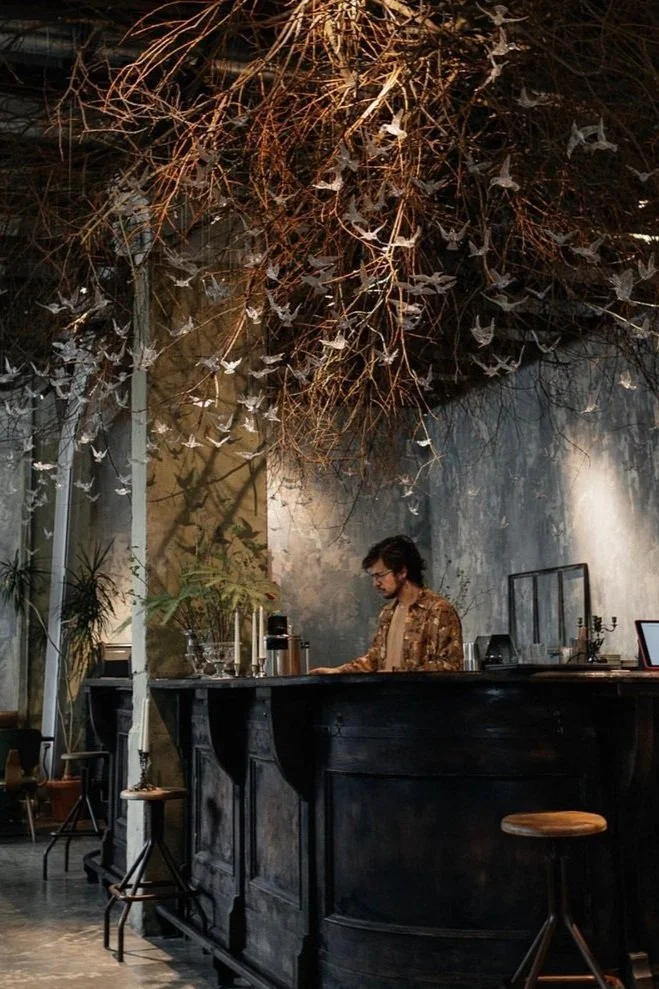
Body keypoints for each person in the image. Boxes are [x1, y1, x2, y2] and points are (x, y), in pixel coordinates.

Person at [310, 534, 463, 673]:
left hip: (422, 702)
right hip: (387, 701)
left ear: (402, 572)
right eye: (373, 577)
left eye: (380, 575)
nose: (375, 583)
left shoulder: (438, 610)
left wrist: (401, 675)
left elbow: (451, 666)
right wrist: (337, 672)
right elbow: (374, 660)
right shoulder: (388, 613)